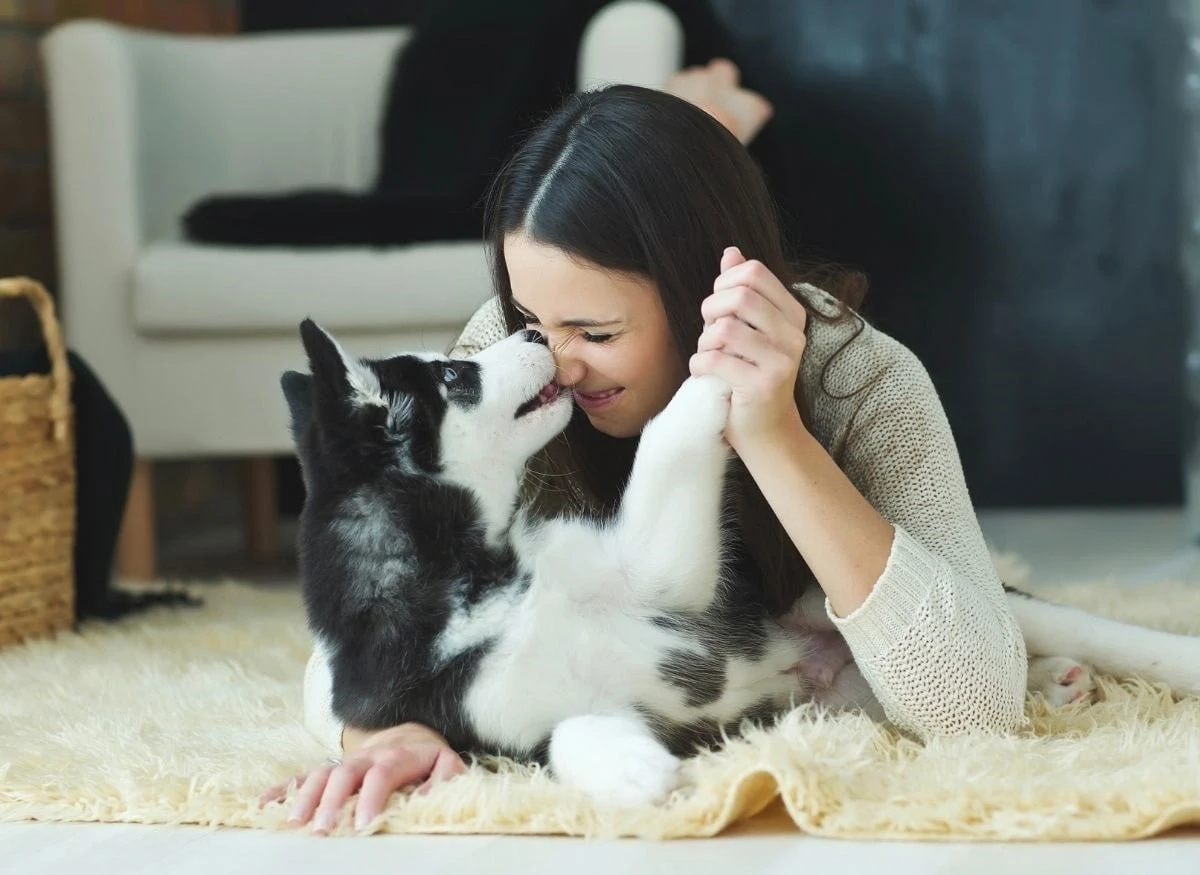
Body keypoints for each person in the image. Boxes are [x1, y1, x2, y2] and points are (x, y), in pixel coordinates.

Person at [267, 66, 1028, 835]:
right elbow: (363, 627)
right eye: (529, 315)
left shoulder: (859, 379)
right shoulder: (511, 364)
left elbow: (977, 706)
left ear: (700, 296)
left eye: (596, 334)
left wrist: (770, 431)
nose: (555, 362)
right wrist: (387, 730)